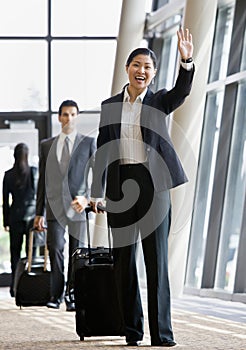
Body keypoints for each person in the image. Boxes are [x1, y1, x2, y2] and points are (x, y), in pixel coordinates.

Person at [87, 27, 194, 346]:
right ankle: (132, 330)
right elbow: (102, 149)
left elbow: (182, 92)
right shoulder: (110, 106)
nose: (142, 71)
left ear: (153, 73)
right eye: (137, 65)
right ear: (127, 69)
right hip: (121, 187)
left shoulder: (160, 101)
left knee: (156, 260)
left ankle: (162, 334)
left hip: (154, 185)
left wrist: (186, 61)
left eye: (148, 67)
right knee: (123, 261)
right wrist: (97, 193)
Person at [33, 99, 96, 311]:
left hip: (78, 208)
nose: (69, 118)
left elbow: (96, 177)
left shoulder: (88, 143)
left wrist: (87, 198)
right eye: (65, 115)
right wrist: (38, 212)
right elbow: (42, 181)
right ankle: (56, 294)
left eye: (72, 114)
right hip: (54, 207)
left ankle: (72, 296)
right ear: (59, 117)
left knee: (76, 253)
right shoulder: (46, 145)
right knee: (56, 249)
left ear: (77, 117)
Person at [2, 143, 38, 298]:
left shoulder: (8, 175)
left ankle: (14, 287)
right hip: (32, 218)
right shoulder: (33, 172)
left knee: (15, 254)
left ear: (14, 156)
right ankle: (32, 286)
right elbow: (39, 196)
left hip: (15, 217)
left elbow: (5, 202)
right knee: (33, 254)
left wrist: (6, 222)